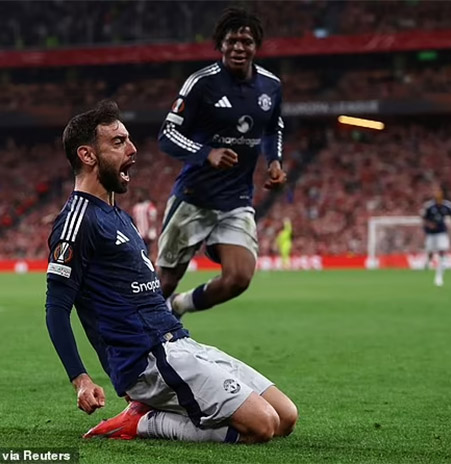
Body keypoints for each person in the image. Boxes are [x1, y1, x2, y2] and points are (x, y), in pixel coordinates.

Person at [45, 100, 297, 444]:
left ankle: (152, 410)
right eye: (118, 142)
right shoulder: (77, 221)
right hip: (145, 360)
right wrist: (81, 379)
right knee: (262, 426)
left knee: (286, 416)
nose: (132, 149)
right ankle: (142, 423)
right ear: (88, 155)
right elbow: (56, 308)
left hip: (179, 343)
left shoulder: (120, 217)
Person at [157, 7, 287, 318]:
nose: (239, 47)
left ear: (256, 46)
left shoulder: (271, 86)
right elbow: (167, 134)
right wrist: (207, 153)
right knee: (164, 283)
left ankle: (179, 306)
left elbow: (273, 127)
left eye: (246, 41)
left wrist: (274, 161)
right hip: (194, 197)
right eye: (231, 41)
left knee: (239, 278)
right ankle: (129, 338)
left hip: (236, 200)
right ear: (221, 45)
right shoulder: (201, 83)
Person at [421, 187, 451, 286]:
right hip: (431, 234)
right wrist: (429, 224)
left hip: (442, 233)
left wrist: (450, 224)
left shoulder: (448, 206)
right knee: (430, 251)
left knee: (442, 252)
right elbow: (424, 219)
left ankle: (439, 277)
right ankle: (428, 261)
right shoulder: (429, 206)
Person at [132, 188, 158, 262]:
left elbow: (153, 217)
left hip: (147, 233)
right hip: (140, 233)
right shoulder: (136, 207)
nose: (138, 196)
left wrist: (150, 230)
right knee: (143, 250)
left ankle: (148, 262)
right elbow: (135, 220)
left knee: (147, 250)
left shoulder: (149, 205)